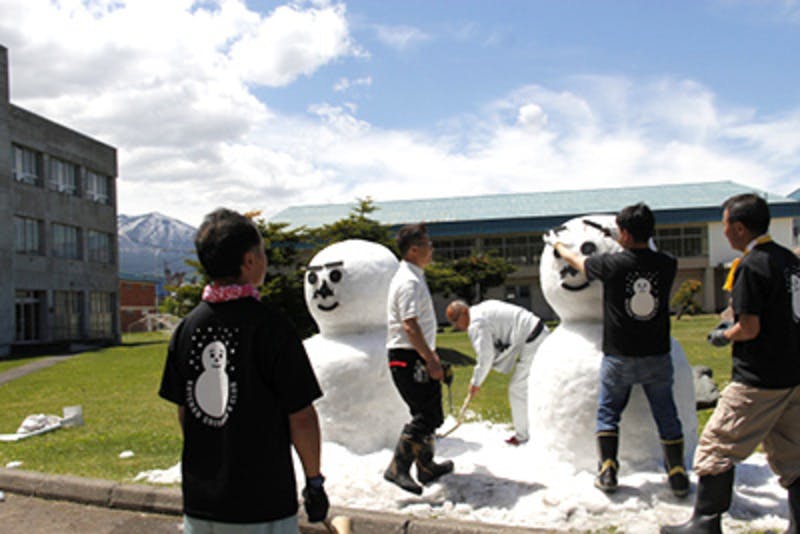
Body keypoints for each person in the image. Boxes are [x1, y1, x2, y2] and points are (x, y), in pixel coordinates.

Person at [159, 208, 328, 534]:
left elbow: (185, 412)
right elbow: (302, 416)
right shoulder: (272, 327)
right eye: (263, 252)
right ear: (249, 261)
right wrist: (314, 480)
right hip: (261, 503)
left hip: (201, 504)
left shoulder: (187, 329)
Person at [662, 194, 800, 534]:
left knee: (716, 446)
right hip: (794, 374)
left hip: (759, 379)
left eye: (725, 225)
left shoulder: (752, 265)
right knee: (793, 456)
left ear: (739, 227)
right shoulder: (789, 261)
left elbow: (749, 328)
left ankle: (704, 524)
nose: (724, 232)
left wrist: (724, 336)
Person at [547, 202, 688, 497]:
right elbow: (643, 253)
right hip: (657, 355)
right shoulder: (667, 264)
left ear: (623, 233)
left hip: (620, 355)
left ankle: (608, 469)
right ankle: (676, 472)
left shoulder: (612, 266)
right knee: (667, 414)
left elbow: (579, 262)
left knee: (608, 413)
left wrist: (557, 244)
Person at [384, 223, 454, 495]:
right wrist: (430, 359)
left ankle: (425, 466)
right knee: (424, 415)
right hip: (408, 355)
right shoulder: (408, 281)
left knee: (432, 413)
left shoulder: (415, 275)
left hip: (416, 354)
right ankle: (397, 468)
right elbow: (410, 325)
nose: (432, 249)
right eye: (428, 244)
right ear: (413, 250)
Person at [445, 298, 549, 446]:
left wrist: (475, 383)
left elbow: (485, 356)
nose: (456, 326)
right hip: (537, 333)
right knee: (530, 386)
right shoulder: (481, 311)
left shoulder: (476, 323)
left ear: (464, 312)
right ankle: (535, 429)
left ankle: (522, 436)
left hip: (533, 340)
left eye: (456, 320)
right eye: (452, 323)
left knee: (517, 389)